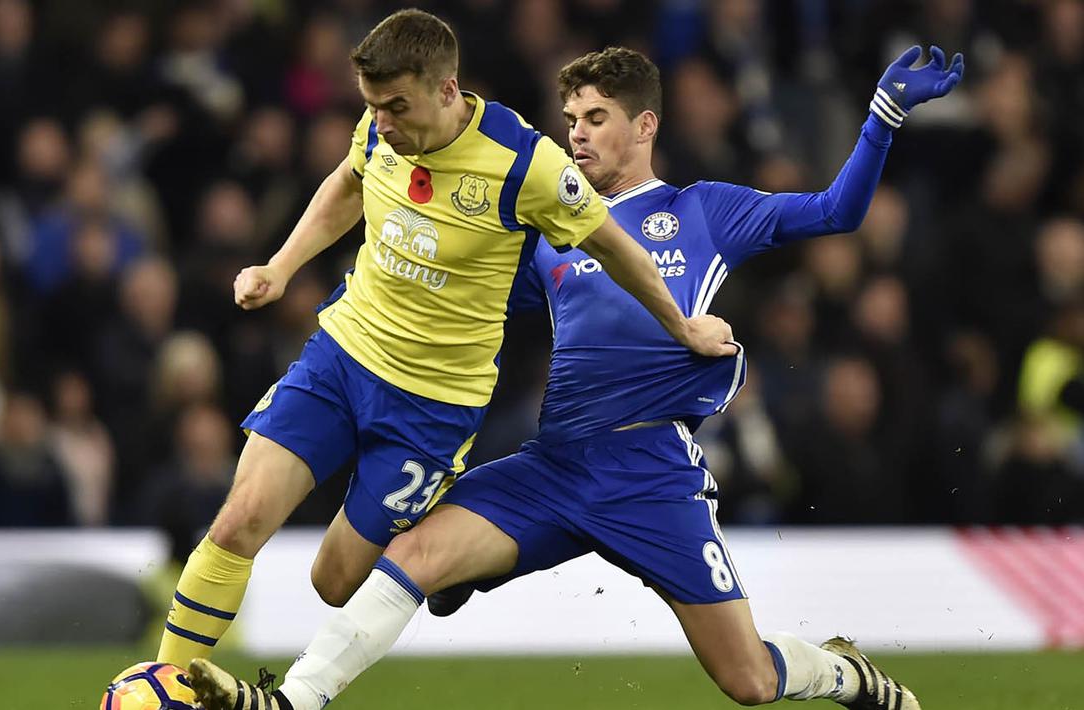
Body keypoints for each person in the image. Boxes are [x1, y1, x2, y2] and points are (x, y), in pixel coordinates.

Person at [188, 44, 964, 710]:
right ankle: (290, 700)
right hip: (554, 462)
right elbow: (469, 299)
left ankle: (843, 675)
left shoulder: (703, 212)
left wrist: (881, 119)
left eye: (595, 119)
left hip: (648, 474)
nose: (578, 135)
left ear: (644, 126)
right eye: (570, 122)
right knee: (414, 555)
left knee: (749, 682)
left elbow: (834, 213)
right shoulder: (552, 231)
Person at [156, 10, 736, 674]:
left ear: (446, 89)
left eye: (397, 106)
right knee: (239, 522)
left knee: (334, 582)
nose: (383, 123)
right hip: (342, 358)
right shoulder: (379, 132)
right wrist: (280, 267)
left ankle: (453, 563)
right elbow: (348, 183)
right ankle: (160, 683)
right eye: (373, 106)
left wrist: (680, 325)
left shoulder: (525, 163)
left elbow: (613, 244)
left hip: (430, 407)